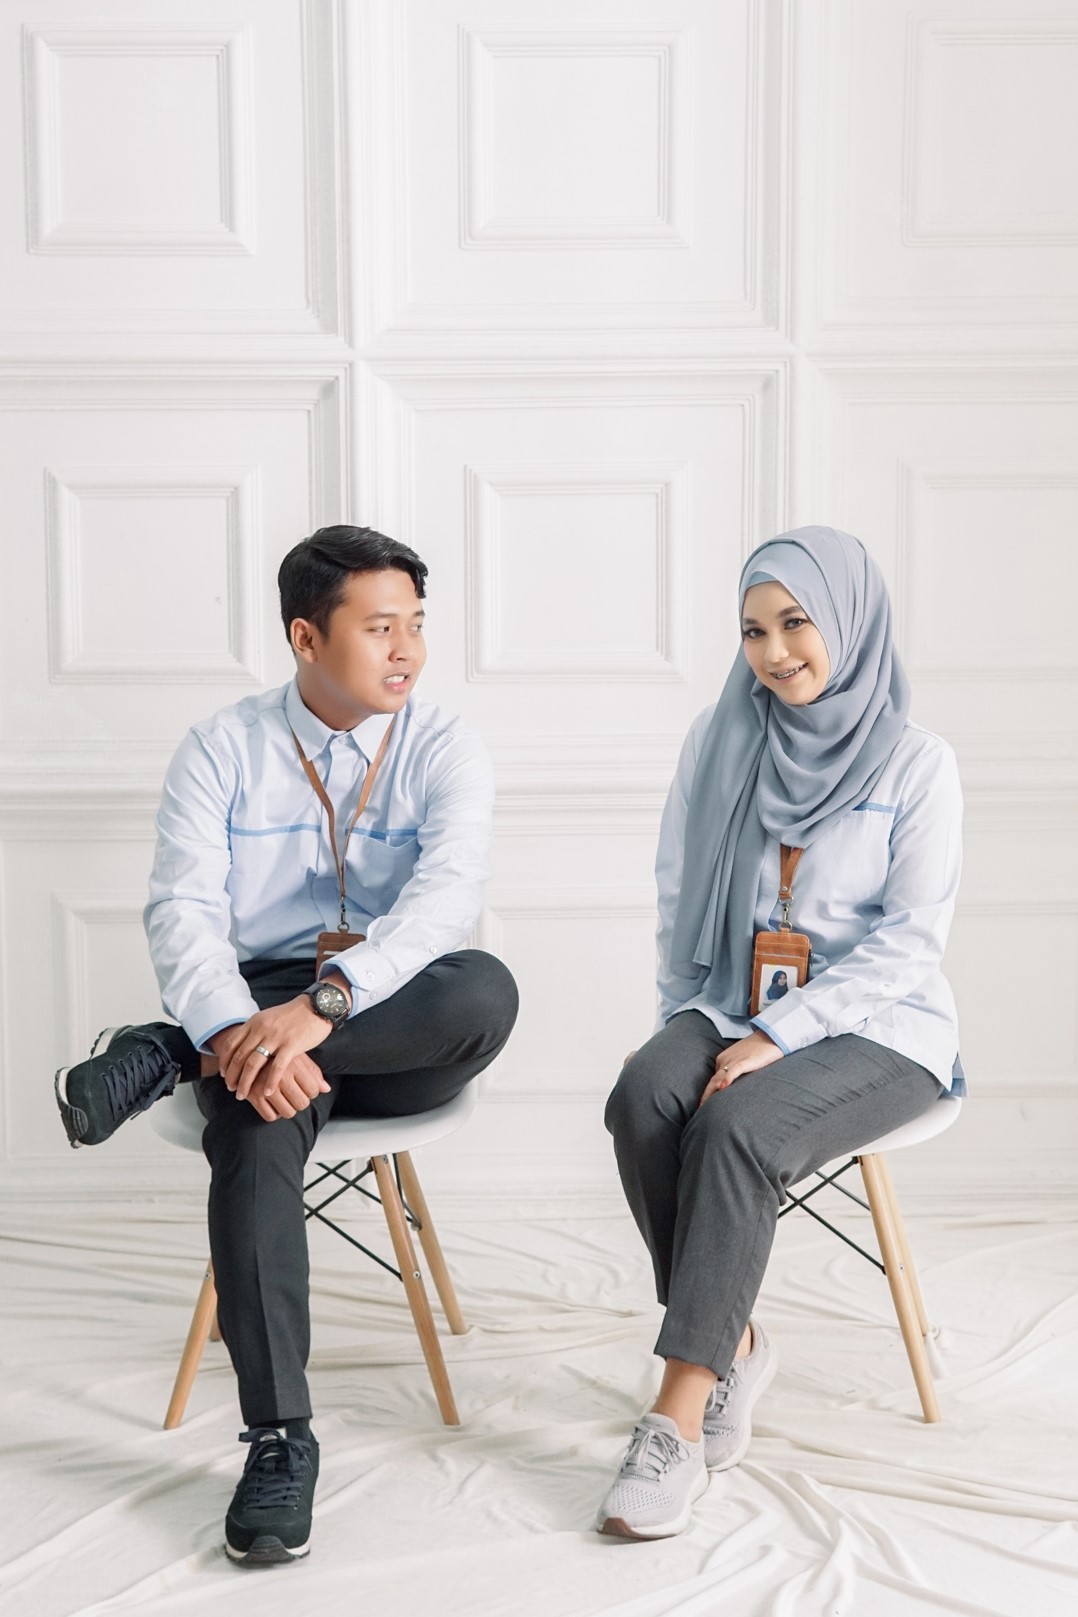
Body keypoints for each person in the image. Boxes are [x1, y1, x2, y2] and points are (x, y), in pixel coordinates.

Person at [55, 525, 518, 1566]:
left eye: (415, 625)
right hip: (255, 1010)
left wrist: (325, 1006)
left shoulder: (443, 745)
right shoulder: (222, 747)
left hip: (395, 1017)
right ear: (307, 637)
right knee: (255, 1130)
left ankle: (169, 1053)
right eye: (380, 627)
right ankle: (279, 1440)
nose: (406, 649)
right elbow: (181, 907)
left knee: (485, 989)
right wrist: (238, 1028)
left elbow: (444, 907)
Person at [596, 526, 964, 1541]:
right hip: (733, 1000)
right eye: (753, 630)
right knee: (644, 1094)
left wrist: (783, 1033)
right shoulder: (721, 741)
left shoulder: (917, 764)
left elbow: (910, 943)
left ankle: (676, 1414)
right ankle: (735, 1340)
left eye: (796, 622)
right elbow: (679, 894)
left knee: (736, 1128)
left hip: (884, 1027)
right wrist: (680, 1025)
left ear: (849, 621)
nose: (774, 652)